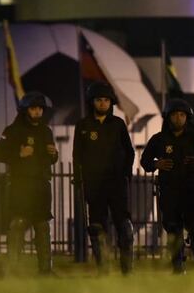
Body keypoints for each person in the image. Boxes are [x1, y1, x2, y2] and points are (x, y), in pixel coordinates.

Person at [140, 98, 194, 273]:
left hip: (190, 190)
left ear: (187, 118)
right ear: (168, 117)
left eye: (182, 115)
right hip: (168, 190)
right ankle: (178, 268)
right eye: (174, 115)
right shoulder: (159, 139)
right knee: (173, 229)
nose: (178, 118)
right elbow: (145, 161)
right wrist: (157, 164)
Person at [0, 91, 58, 275]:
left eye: (39, 109)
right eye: (33, 108)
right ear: (25, 110)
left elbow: (51, 159)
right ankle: (12, 268)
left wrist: (54, 154)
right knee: (18, 225)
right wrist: (18, 155)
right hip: (20, 185)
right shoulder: (12, 131)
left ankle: (46, 270)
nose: (37, 112)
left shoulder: (46, 131)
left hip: (41, 186)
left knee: (42, 226)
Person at [73, 82, 134, 275]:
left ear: (111, 103)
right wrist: (79, 179)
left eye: (106, 100)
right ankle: (103, 268)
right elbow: (77, 155)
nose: (102, 103)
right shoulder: (82, 126)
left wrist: (125, 174)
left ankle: (127, 270)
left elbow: (129, 152)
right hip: (94, 184)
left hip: (116, 184)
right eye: (99, 100)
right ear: (92, 102)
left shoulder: (118, 124)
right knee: (97, 228)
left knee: (124, 227)